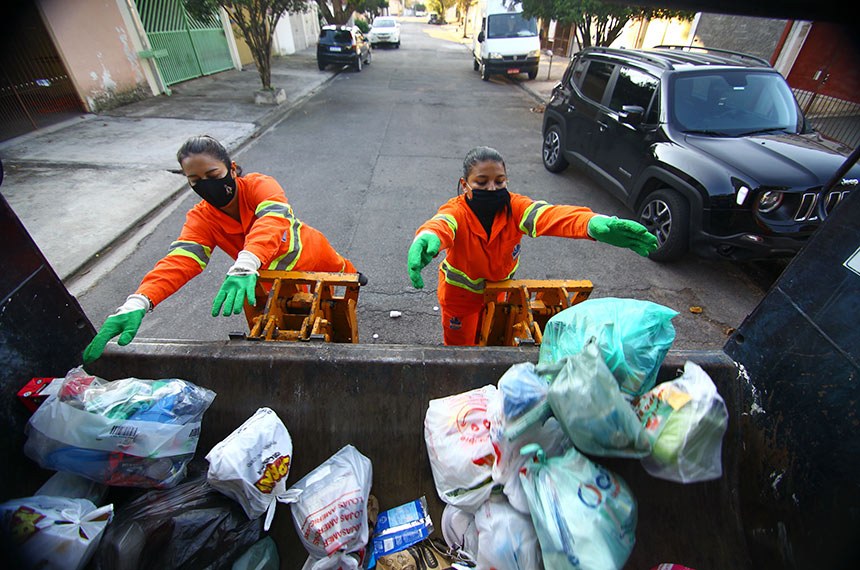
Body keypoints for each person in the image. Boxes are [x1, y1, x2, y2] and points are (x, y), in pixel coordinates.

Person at [83, 135, 360, 363]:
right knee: (284, 321)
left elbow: (273, 220)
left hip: (309, 254)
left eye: (212, 174)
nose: (206, 184)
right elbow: (181, 260)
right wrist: (140, 301)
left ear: (232, 168)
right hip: (261, 276)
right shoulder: (201, 218)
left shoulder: (259, 186)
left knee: (344, 276)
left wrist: (245, 263)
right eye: (195, 180)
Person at [407, 146, 658, 346]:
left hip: (499, 294)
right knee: (460, 352)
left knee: (493, 341)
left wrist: (592, 224)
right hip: (460, 299)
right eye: (481, 182)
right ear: (465, 184)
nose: (491, 188)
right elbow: (442, 224)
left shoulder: (515, 208)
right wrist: (426, 236)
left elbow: (549, 215)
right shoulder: (457, 211)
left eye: (499, 181)